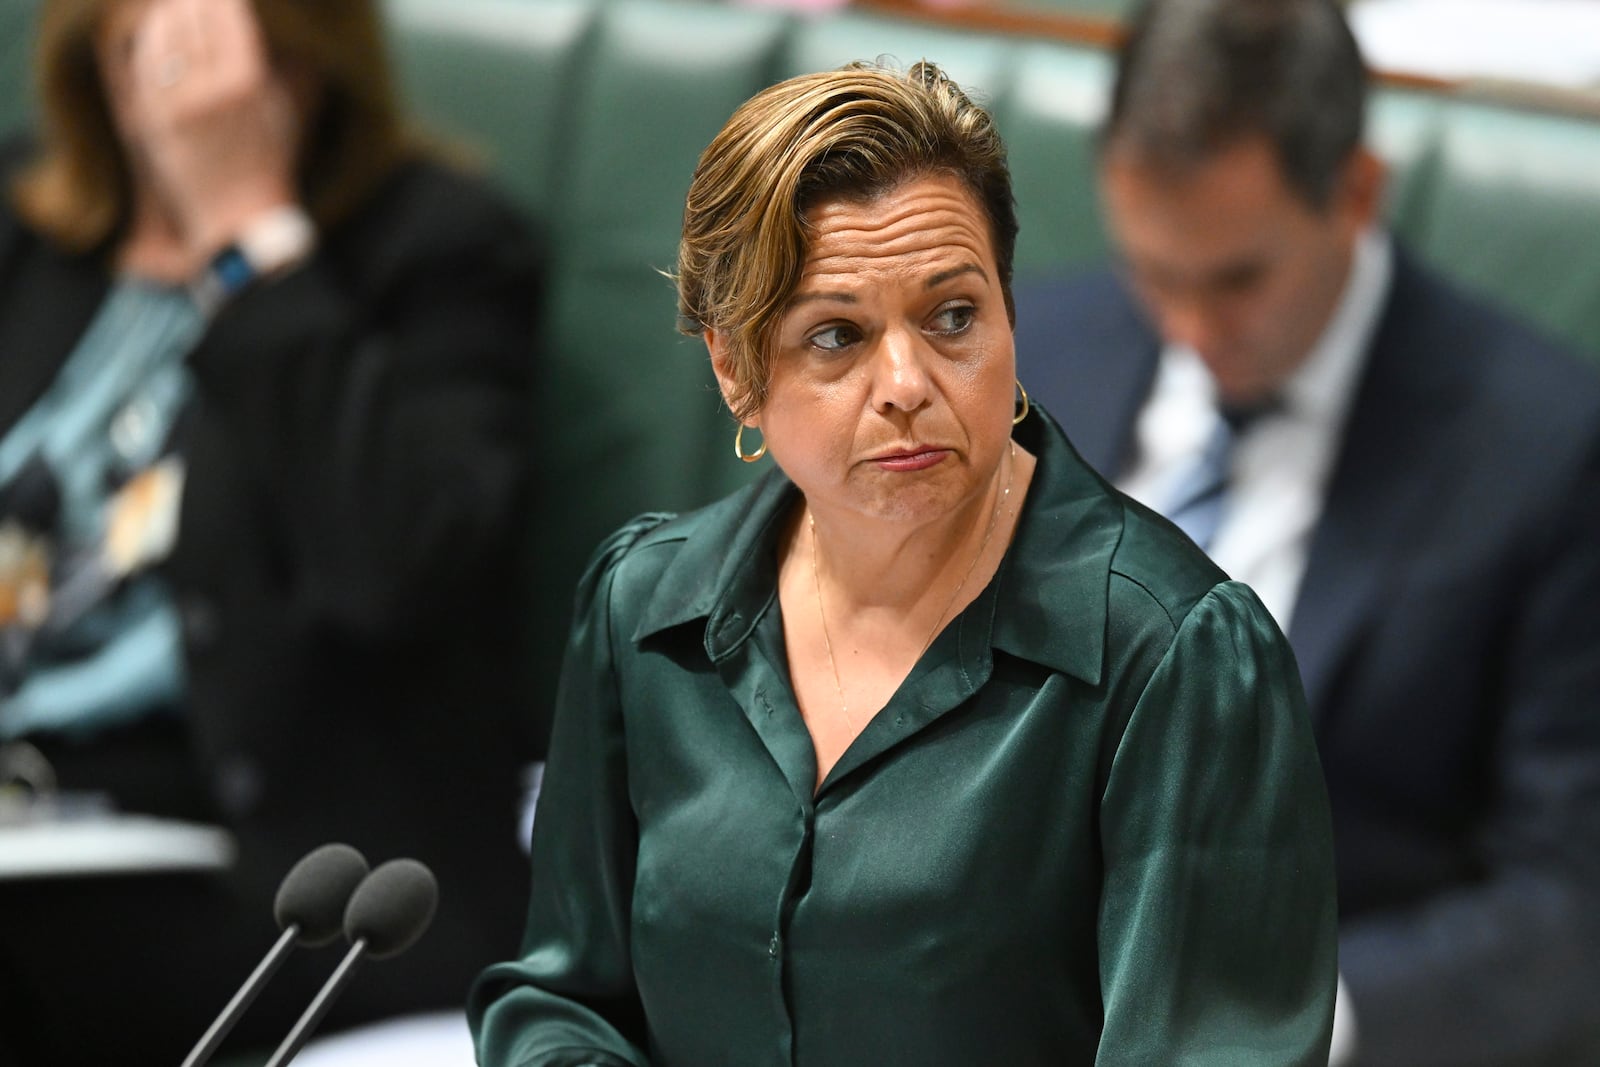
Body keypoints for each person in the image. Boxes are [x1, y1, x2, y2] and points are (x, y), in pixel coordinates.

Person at [470, 59, 1336, 1066]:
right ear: (732, 367)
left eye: (952, 316)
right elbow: (565, 994)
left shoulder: (1174, 660)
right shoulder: (644, 608)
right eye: (836, 335)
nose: (906, 383)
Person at [1010, 1, 1600, 1064]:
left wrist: (1283, 1019)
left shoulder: (1550, 454)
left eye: (1237, 280)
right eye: (1152, 271)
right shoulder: (1030, 351)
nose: (1190, 330)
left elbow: (1567, 904)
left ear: (1356, 194)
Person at [0, 0, 543, 1062]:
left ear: (304, 65)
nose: (177, 92)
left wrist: (245, 233)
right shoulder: (28, 221)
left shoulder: (438, 248)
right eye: (147, 54)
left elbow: (397, 565)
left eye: (218, 61)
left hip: (249, 866)